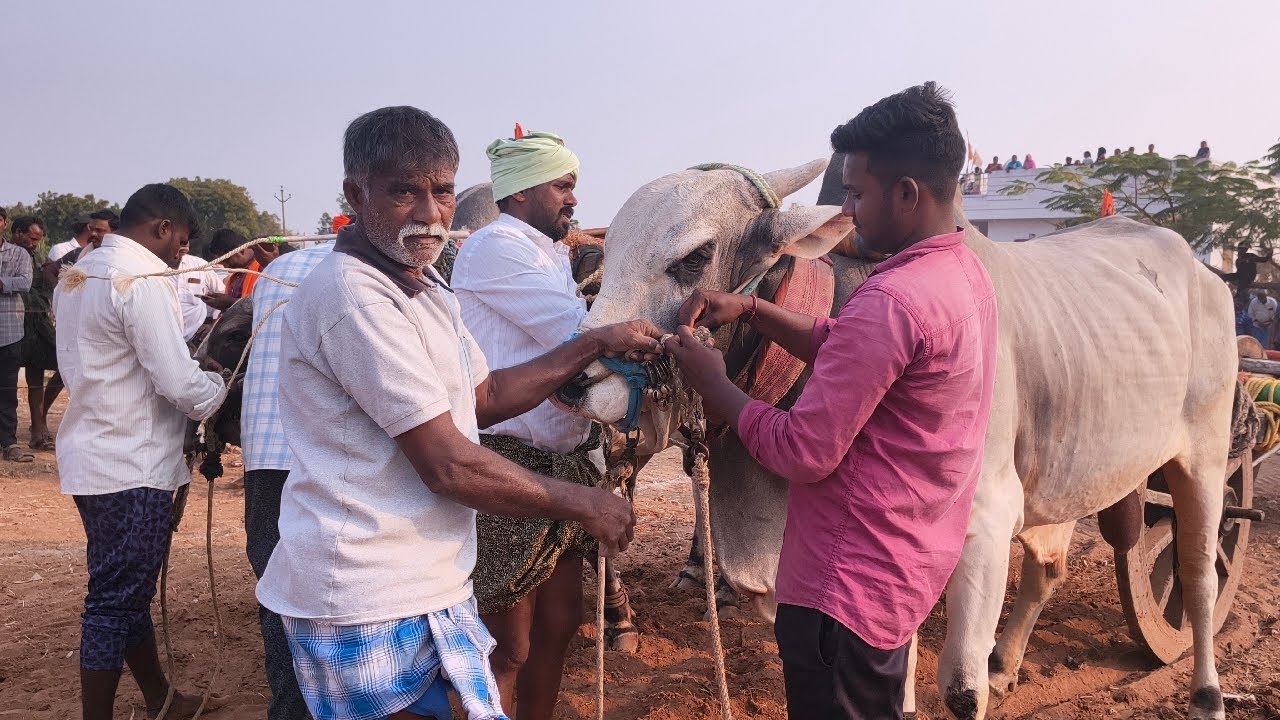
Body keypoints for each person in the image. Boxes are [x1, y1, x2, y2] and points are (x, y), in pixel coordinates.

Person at [255, 106, 663, 720]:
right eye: (403, 192)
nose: (428, 213)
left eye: (442, 191)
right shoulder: (353, 295)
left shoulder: (424, 286)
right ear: (354, 194)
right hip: (365, 592)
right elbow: (446, 464)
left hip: (430, 579)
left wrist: (593, 343)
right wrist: (583, 501)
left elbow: (487, 395)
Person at [663, 81, 998, 720]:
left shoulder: (889, 300)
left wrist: (714, 384)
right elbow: (853, 349)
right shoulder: (961, 277)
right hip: (900, 569)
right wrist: (756, 309)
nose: (846, 211)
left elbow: (804, 450)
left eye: (855, 193)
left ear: (908, 194)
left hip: (840, 590)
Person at [54, 183, 225, 720]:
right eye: (182, 241)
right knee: (113, 600)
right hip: (133, 462)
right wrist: (218, 391)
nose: (182, 254)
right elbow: (176, 378)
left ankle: (161, 699)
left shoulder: (77, 275)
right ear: (162, 229)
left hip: (94, 455)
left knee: (124, 587)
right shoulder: (142, 280)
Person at [450, 127, 597, 718]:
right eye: (562, 185)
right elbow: (577, 333)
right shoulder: (497, 246)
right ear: (518, 194)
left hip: (563, 457)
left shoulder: (548, 251)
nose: (573, 198)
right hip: (510, 455)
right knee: (507, 642)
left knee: (561, 621)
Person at [240, 230, 336, 720]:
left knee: (277, 590)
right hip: (333, 456)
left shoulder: (275, 273)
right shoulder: (382, 273)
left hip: (265, 454)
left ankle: (290, 707)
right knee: (343, 591)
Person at [10, 216, 58, 450]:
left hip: (36, 324)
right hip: (11, 322)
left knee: (37, 377)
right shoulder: (7, 255)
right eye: (31, 238)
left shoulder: (37, 257)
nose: (34, 243)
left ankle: (38, 431)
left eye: (38, 240)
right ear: (17, 233)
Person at [0, 215, 34, 463]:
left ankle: (9, 443)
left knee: (7, 390)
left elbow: (25, 282)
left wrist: (2, 283)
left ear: (4, 223)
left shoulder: (18, 253)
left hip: (9, 331)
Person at [172, 236, 223, 342]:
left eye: (186, 239)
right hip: (164, 335)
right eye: (179, 238)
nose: (184, 243)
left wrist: (214, 325)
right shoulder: (155, 267)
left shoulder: (200, 265)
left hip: (196, 335)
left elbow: (222, 294)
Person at [198, 228, 258, 311]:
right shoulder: (236, 274)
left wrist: (229, 302)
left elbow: (263, 305)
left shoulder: (264, 269)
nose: (225, 267)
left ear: (240, 251)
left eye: (226, 261)